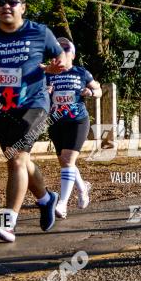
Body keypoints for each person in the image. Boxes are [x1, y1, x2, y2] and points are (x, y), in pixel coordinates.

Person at [0, 0, 70, 242]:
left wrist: (61, 64)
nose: (6, 7)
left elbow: (64, 57)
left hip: (35, 104)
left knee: (16, 160)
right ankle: (46, 199)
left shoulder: (40, 32)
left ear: (23, 7)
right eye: (1, 2)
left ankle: (8, 223)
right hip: (2, 109)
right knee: (20, 159)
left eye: (12, 2)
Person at [46, 38, 101, 218]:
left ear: (73, 55)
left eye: (65, 49)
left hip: (78, 120)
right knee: (65, 161)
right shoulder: (48, 73)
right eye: (57, 50)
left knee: (68, 160)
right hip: (55, 121)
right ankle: (82, 188)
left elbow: (99, 90)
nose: (61, 53)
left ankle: (62, 204)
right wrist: (45, 92)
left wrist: (91, 92)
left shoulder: (81, 72)